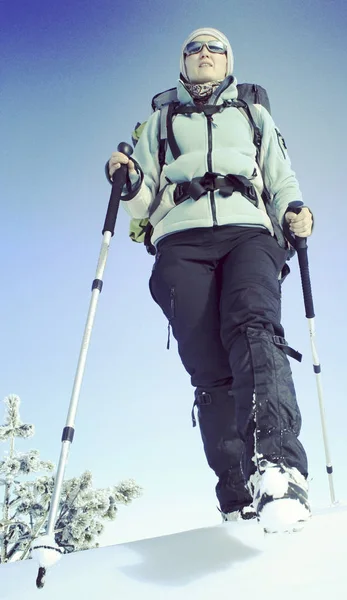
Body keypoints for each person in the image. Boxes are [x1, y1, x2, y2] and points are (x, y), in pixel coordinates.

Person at [108, 28, 314, 533]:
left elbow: (280, 174)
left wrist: (294, 209)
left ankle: (280, 469)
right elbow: (142, 197)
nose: (205, 54)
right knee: (210, 368)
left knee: (254, 329)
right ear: (183, 61)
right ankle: (235, 491)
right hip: (181, 241)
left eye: (214, 48)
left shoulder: (252, 114)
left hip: (248, 232)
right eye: (195, 48)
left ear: (228, 62)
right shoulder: (159, 121)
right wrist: (129, 178)